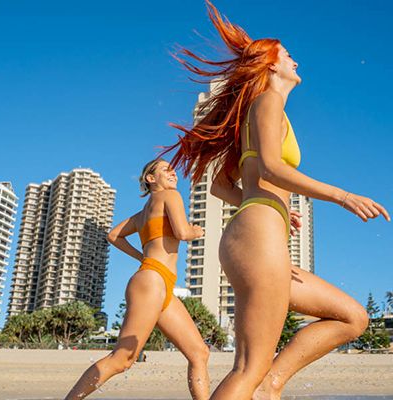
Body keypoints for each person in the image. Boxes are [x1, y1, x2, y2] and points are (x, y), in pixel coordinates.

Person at [160, 2, 391, 399]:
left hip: (260, 233)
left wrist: (275, 212)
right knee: (248, 367)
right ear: (270, 65)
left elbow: (219, 185)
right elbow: (269, 166)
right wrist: (343, 195)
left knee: (353, 318)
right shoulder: (267, 103)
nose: (295, 60)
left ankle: (272, 386)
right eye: (287, 55)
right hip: (258, 237)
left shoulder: (259, 112)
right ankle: (262, 383)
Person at [64, 158, 210, 400]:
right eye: (166, 169)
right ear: (151, 179)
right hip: (152, 281)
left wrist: (141, 255)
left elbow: (113, 235)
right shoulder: (171, 196)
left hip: (158, 281)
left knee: (199, 352)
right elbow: (182, 232)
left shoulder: (142, 214)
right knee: (122, 358)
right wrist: (196, 231)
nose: (173, 172)